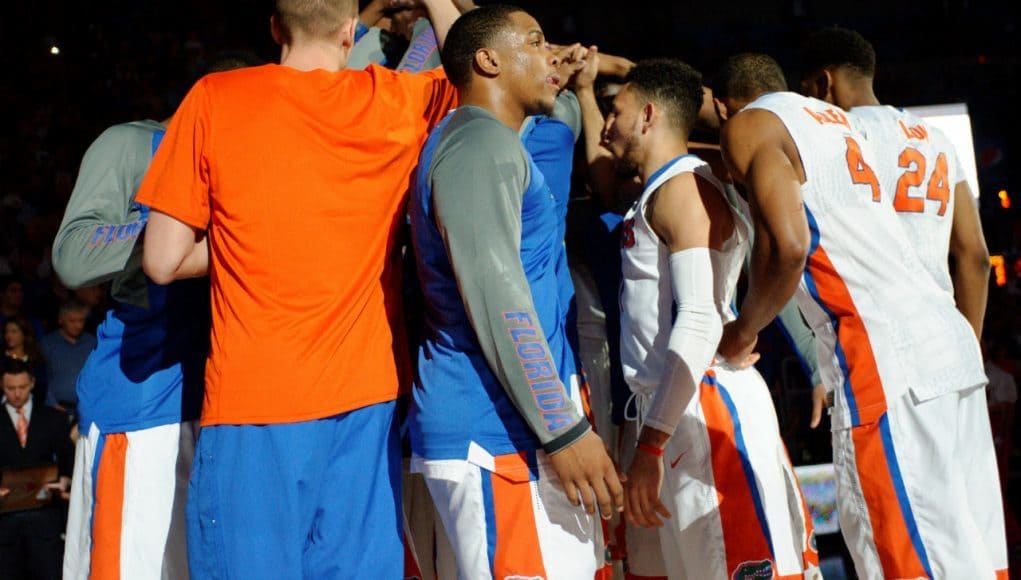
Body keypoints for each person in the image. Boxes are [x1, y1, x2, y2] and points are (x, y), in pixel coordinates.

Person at [138, 0, 461, 576]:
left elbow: (161, 260)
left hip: (254, 400)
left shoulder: (215, 96)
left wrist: (249, 238)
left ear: (274, 27)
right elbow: (479, 62)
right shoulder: (390, 100)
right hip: (365, 395)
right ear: (347, 32)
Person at [712, 52, 1003, 579]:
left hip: (886, 362)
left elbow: (790, 245)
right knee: (973, 561)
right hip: (952, 346)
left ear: (721, 105)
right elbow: (974, 256)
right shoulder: (843, 124)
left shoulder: (749, 125)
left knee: (907, 563)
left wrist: (744, 328)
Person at [408, 5, 623, 578]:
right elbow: (498, 300)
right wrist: (564, 428)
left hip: (513, 425)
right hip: (499, 431)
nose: (549, 53)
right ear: (489, 59)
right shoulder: (478, 147)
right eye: (534, 41)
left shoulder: (490, 142)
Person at [593, 57, 818, 580]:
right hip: (668, 409)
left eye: (616, 111)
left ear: (648, 115)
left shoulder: (685, 188)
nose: (608, 126)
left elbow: (696, 319)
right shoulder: (665, 188)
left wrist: (650, 444)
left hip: (701, 404)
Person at [52, 53, 263, 579]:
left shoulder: (245, 160)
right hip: (140, 409)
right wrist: (171, 236)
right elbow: (73, 254)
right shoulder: (128, 144)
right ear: (205, 100)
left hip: (218, 407)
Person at [799, 26, 991, 341]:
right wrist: (968, 349)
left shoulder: (835, 137)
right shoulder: (939, 139)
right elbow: (977, 258)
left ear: (824, 83)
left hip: (882, 342)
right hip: (947, 336)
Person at [0, 359, 73, 580]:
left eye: (22, 387)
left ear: (32, 383)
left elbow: (68, 461)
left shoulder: (54, 419)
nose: (17, 394)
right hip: (5, 524)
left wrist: (65, 480)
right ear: (2, 386)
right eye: (10, 388)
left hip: (44, 522)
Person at [39, 298, 95, 412]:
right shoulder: (48, 343)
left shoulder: (91, 342)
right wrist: (51, 402)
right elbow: (43, 376)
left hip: (87, 408)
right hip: (56, 408)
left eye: (81, 321)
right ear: (61, 320)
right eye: (72, 321)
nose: (78, 325)